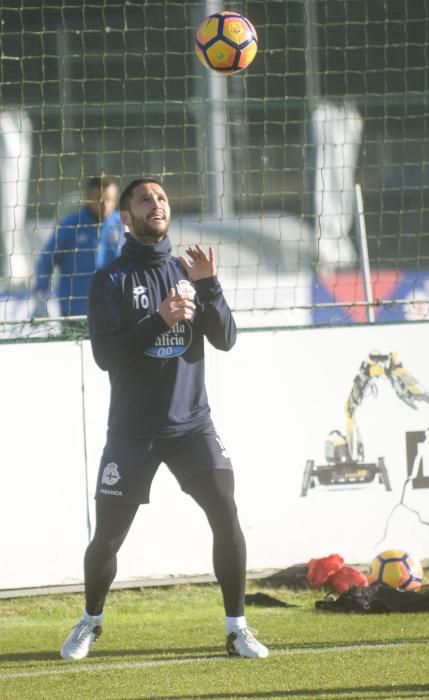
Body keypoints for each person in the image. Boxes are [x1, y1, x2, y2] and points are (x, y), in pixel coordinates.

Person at [60, 177, 269, 661]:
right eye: (144, 199)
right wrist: (158, 319)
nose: (156, 203)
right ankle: (91, 620)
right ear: (126, 217)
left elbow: (226, 339)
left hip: (192, 426)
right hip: (132, 432)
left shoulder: (189, 270)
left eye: (162, 197)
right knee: (108, 537)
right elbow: (107, 356)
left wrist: (209, 285)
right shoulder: (109, 279)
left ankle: (237, 627)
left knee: (225, 511)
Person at [32, 176, 123, 318]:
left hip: (115, 311)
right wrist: (41, 295)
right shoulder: (70, 225)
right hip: (75, 312)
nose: (104, 204)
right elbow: (47, 259)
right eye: (98, 198)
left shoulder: (124, 225)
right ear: (87, 197)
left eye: (109, 198)